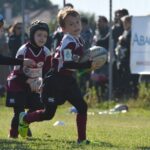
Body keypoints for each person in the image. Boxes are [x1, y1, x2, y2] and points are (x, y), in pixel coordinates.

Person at [18, 8, 99, 143]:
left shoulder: (79, 40)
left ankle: (81, 140)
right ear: (63, 28)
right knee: (48, 114)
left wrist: (90, 64)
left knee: (82, 107)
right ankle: (25, 118)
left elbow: (76, 64)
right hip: (55, 81)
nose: (76, 26)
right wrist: (87, 65)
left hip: (68, 81)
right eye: (71, 24)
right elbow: (67, 64)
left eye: (77, 22)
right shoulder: (68, 41)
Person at [6, 20, 51, 138]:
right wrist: (29, 80)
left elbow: (47, 71)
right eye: (39, 35)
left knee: (40, 106)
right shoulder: (23, 50)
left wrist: (43, 83)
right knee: (19, 112)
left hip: (34, 84)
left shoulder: (46, 52)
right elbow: (18, 70)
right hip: (18, 83)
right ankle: (13, 135)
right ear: (32, 35)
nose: (42, 38)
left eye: (45, 36)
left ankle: (25, 121)